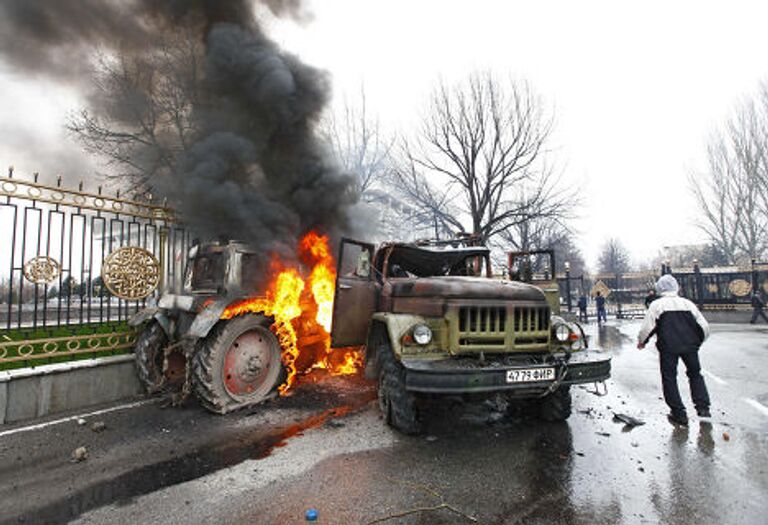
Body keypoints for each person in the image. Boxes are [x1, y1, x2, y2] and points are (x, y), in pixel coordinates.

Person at [637, 274, 711, 426]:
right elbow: (704, 327)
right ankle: (703, 408)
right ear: (676, 287)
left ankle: (678, 413)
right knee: (695, 374)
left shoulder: (657, 305)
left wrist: (642, 341)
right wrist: (697, 342)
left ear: (660, 288)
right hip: (690, 347)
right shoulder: (688, 304)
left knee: (669, 377)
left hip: (668, 347)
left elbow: (648, 327)